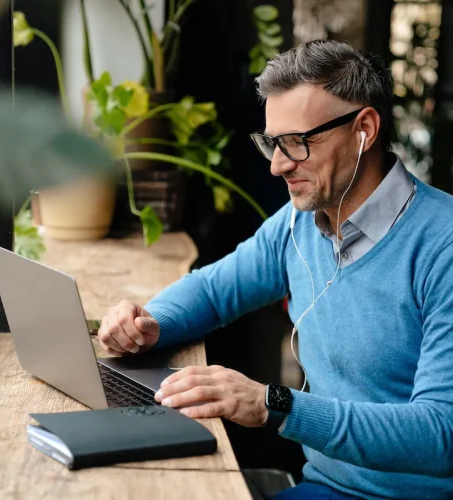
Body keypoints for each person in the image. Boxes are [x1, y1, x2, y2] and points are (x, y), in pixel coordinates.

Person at [98, 40, 453, 500]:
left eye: (297, 143)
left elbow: (441, 433)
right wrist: (147, 323)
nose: (278, 165)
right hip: (321, 487)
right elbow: (212, 290)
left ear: (364, 129)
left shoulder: (442, 243)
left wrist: (274, 404)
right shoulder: (300, 223)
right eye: (272, 143)